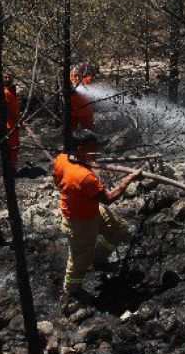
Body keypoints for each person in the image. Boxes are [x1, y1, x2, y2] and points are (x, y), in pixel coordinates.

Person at [53, 128, 142, 305]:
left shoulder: (62, 158)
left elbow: (56, 177)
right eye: (91, 148)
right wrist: (128, 179)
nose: (95, 152)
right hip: (80, 221)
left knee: (118, 230)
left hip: (90, 210)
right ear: (79, 148)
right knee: (79, 261)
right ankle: (72, 291)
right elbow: (109, 198)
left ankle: (98, 259)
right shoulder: (84, 177)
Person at [70, 62, 96, 132]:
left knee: (89, 130)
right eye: (77, 69)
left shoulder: (88, 80)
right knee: (71, 130)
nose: (77, 71)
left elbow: (87, 85)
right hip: (73, 111)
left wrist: (79, 79)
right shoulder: (71, 78)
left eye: (81, 70)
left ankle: (91, 142)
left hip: (85, 111)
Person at [3, 72, 21, 169]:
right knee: (13, 146)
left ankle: (12, 166)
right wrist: (15, 120)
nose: (7, 79)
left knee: (15, 145)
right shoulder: (5, 92)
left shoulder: (10, 90)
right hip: (10, 124)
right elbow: (7, 109)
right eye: (5, 77)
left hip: (14, 122)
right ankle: (11, 168)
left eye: (9, 77)